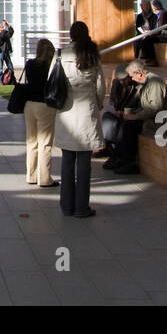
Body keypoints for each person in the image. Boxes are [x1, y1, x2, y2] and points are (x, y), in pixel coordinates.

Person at [54, 21, 106, 217]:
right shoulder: (92, 54)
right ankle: (82, 206)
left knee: (67, 161)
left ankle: (66, 206)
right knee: (84, 163)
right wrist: (98, 103)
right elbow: (100, 85)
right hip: (87, 109)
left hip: (67, 110)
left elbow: (55, 79)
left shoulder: (61, 54)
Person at [101, 62, 151, 174]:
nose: (121, 82)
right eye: (119, 79)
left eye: (124, 79)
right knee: (107, 119)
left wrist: (126, 112)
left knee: (125, 125)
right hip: (119, 112)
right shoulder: (116, 83)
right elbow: (113, 99)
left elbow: (142, 106)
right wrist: (114, 108)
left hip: (131, 113)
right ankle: (109, 148)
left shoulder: (139, 86)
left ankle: (121, 157)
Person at [21, 39, 58, 187]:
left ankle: (31, 175)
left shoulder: (30, 63)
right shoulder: (51, 66)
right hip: (44, 104)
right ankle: (44, 178)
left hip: (29, 104)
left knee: (31, 141)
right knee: (45, 142)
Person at [134, 0, 159, 66]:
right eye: (145, 6)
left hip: (151, 34)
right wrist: (143, 33)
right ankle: (136, 58)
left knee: (147, 40)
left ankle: (150, 59)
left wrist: (147, 33)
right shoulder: (139, 16)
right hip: (141, 33)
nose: (147, 7)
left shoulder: (154, 16)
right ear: (142, 7)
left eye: (148, 5)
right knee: (136, 40)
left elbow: (153, 27)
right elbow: (138, 27)